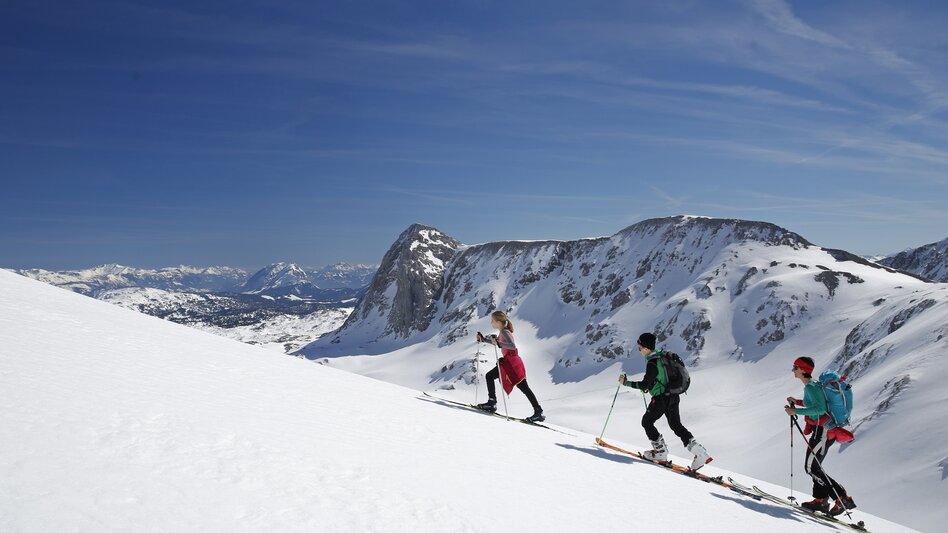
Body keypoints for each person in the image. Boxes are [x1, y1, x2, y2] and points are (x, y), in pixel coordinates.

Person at [619, 332, 712, 470]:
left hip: (661, 399)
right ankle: (699, 453)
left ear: (646, 348)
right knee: (676, 426)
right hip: (673, 396)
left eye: (639, 347)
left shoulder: (652, 363)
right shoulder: (662, 357)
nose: (639, 350)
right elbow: (658, 380)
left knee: (647, 422)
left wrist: (626, 383)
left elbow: (644, 385)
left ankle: (660, 453)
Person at [785, 356, 856, 516]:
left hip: (822, 432)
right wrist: (797, 402)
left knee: (811, 468)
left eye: (795, 367)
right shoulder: (812, 385)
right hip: (823, 431)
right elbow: (815, 404)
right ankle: (820, 501)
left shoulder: (811, 387)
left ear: (803, 370)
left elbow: (819, 410)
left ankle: (841, 498)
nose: (793, 370)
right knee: (815, 467)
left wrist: (795, 411)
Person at [474, 311, 545, 423]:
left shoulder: (505, 332)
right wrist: (483, 339)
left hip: (512, 364)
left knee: (523, 387)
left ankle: (492, 403)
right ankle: (538, 411)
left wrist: (498, 343)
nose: (491, 322)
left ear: (498, 322)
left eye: (492, 321)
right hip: (509, 362)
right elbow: (498, 343)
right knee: (491, 376)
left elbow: (512, 345)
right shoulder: (502, 331)